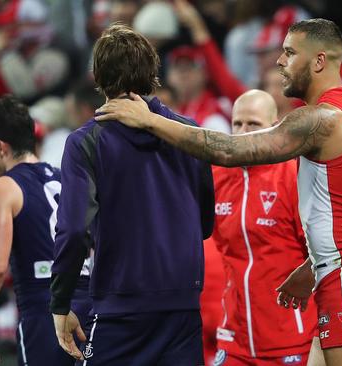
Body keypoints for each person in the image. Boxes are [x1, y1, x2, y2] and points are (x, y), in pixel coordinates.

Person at [95, 18, 342, 366]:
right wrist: (316, 263)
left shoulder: (319, 120)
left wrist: (150, 119)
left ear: (319, 61)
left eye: (289, 53)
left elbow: (227, 149)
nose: (280, 62)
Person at [50, 24, 215, 365]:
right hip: (182, 307)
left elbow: (72, 230)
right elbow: (205, 224)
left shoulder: (85, 142)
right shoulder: (190, 132)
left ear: (97, 76)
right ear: (153, 73)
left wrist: (60, 303)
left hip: (120, 310)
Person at [0, 96, 91, 365]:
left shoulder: (3, 188)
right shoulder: (67, 179)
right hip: (90, 309)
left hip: (44, 311)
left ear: (1, 148)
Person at [209, 89, 319, 365]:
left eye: (253, 124)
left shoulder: (294, 176)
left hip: (289, 338)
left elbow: (319, 256)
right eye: (237, 124)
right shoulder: (216, 177)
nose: (243, 131)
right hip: (233, 337)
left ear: (273, 127)